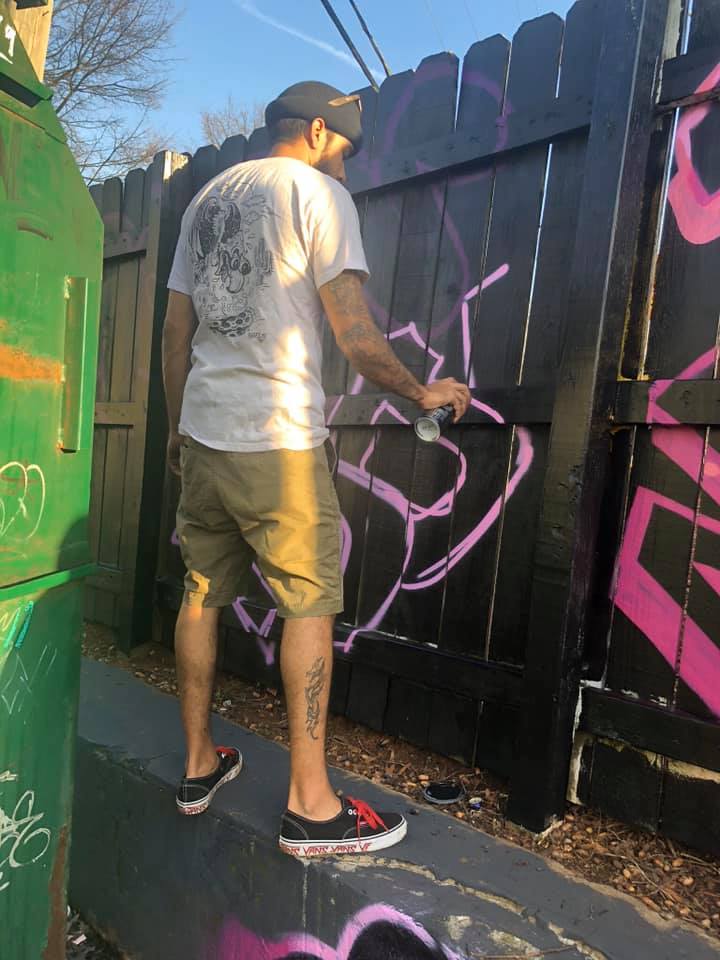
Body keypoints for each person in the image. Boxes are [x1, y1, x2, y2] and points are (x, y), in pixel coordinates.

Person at [162, 80, 471, 857]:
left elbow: (174, 331)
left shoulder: (204, 202)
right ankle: (310, 806)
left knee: (199, 594)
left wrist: (175, 427)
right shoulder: (317, 196)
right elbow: (354, 332)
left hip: (204, 432)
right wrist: (421, 392)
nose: (348, 163)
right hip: (279, 440)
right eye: (345, 147)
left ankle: (198, 764)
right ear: (314, 132)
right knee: (308, 604)